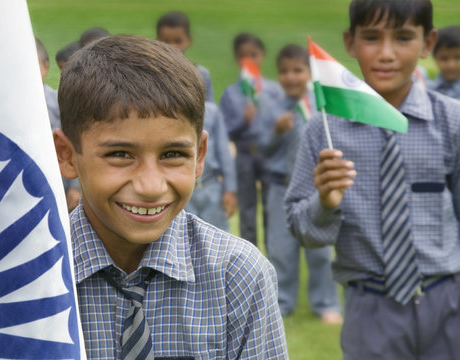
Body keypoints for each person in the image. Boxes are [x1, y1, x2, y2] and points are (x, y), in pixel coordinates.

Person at [53, 34, 288, 359]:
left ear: (199, 155)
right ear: (66, 155)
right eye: (120, 154)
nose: (151, 186)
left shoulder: (237, 276)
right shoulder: (32, 274)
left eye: (173, 154)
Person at [285, 0, 460, 358]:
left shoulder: (452, 121)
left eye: (402, 38)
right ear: (350, 43)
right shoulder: (324, 129)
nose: (385, 54)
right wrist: (325, 202)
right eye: (371, 38)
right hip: (371, 307)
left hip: (448, 301)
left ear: (427, 44)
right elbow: (300, 229)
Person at [261, 44, 341, 323]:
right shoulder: (272, 107)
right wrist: (275, 133)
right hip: (280, 187)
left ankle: (326, 303)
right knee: (280, 250)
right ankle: (281, 303)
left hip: (313, 188)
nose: (291, 77)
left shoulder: (320, 107)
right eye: (284, 71)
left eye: (297, 70)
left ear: (309, 73)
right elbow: (261, 149)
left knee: (319, 250)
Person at [219, 32, 284, 246]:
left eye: (254, 55)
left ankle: (274, 257)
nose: (249, 61)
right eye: (244, 56)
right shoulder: (231, 94)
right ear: (237, 59)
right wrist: (243, 121)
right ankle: (250, 256)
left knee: (271, 208)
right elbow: (226, 131)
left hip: (269, 154)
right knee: (247, 209)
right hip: (245, 154)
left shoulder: (274, 91)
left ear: (262, 56)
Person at [35, 38, 81, 211]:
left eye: (32, 65)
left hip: (60, 184)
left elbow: (75, 143)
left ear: (46, 67)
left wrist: (75, 186)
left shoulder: (59, 103)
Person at [185, 101, 237, 231]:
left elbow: (223, 151)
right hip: (185, 190)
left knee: (218, 238)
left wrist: (230, 189)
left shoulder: (212, 112)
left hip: (211, 187)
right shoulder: (171, 108)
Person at [156, 11, 215, 102]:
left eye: (178, 41)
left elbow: (210, 108)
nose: (172, 47)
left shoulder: (201, 74)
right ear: (156, 41)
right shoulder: (151, 73)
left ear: (189, 40)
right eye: (166, 41)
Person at [429, 25, 460, 101]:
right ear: (435, 57)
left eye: (458, 57)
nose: (451, 65)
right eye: (444, 58)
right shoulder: (427, 89)